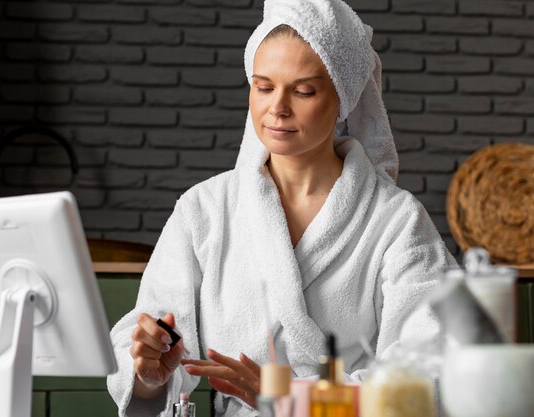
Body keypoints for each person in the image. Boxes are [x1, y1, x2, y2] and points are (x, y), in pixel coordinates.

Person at [107, 0, 456, 416]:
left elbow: (432, 373)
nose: (278, 107)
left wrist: (296, 399)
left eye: (304, 90)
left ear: (343, 96)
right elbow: (153, 347)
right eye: (263, 86)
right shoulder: (204, 210)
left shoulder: (396, 221)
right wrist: (149, 374)